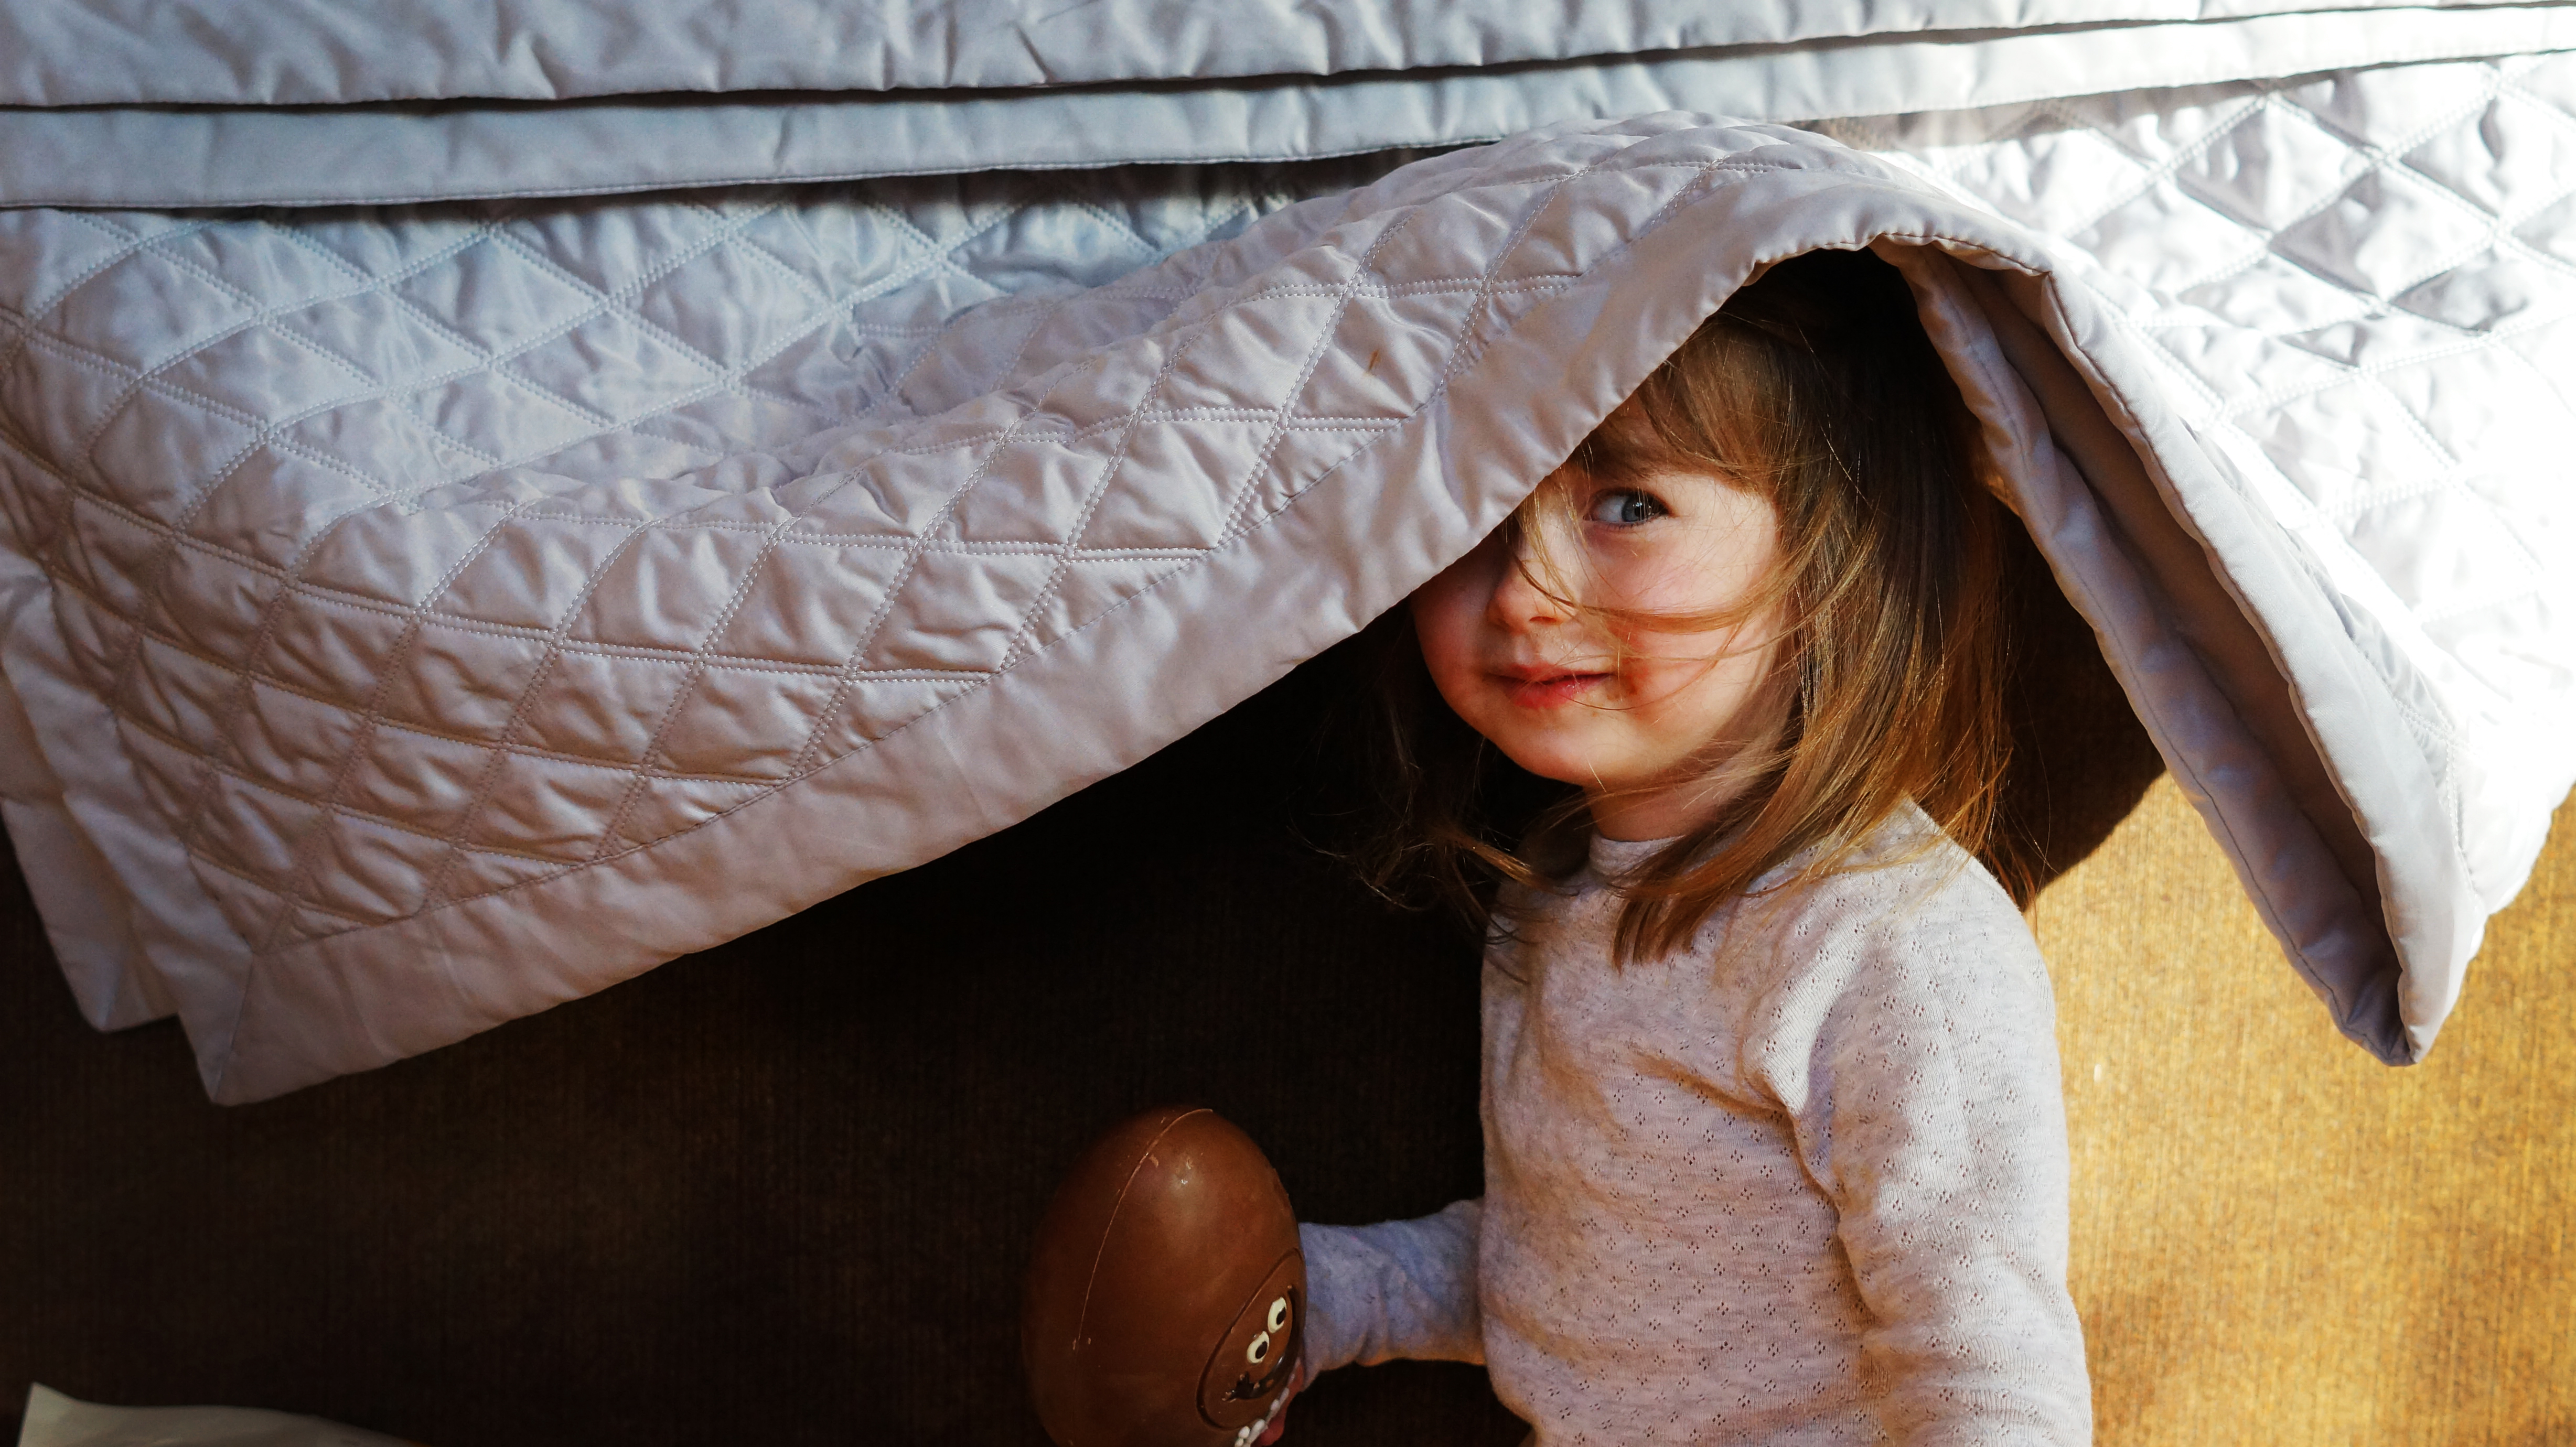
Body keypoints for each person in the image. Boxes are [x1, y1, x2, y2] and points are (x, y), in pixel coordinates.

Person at [1262, 247, 2089, 1445]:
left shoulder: (1891, 946)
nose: (1522, 590)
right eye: (1477, 512)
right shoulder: (1543, 915)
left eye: (1627, 504)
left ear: (1827, 552)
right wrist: (1325, 1297)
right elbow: (1580, 1281)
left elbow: (1987, 1373)